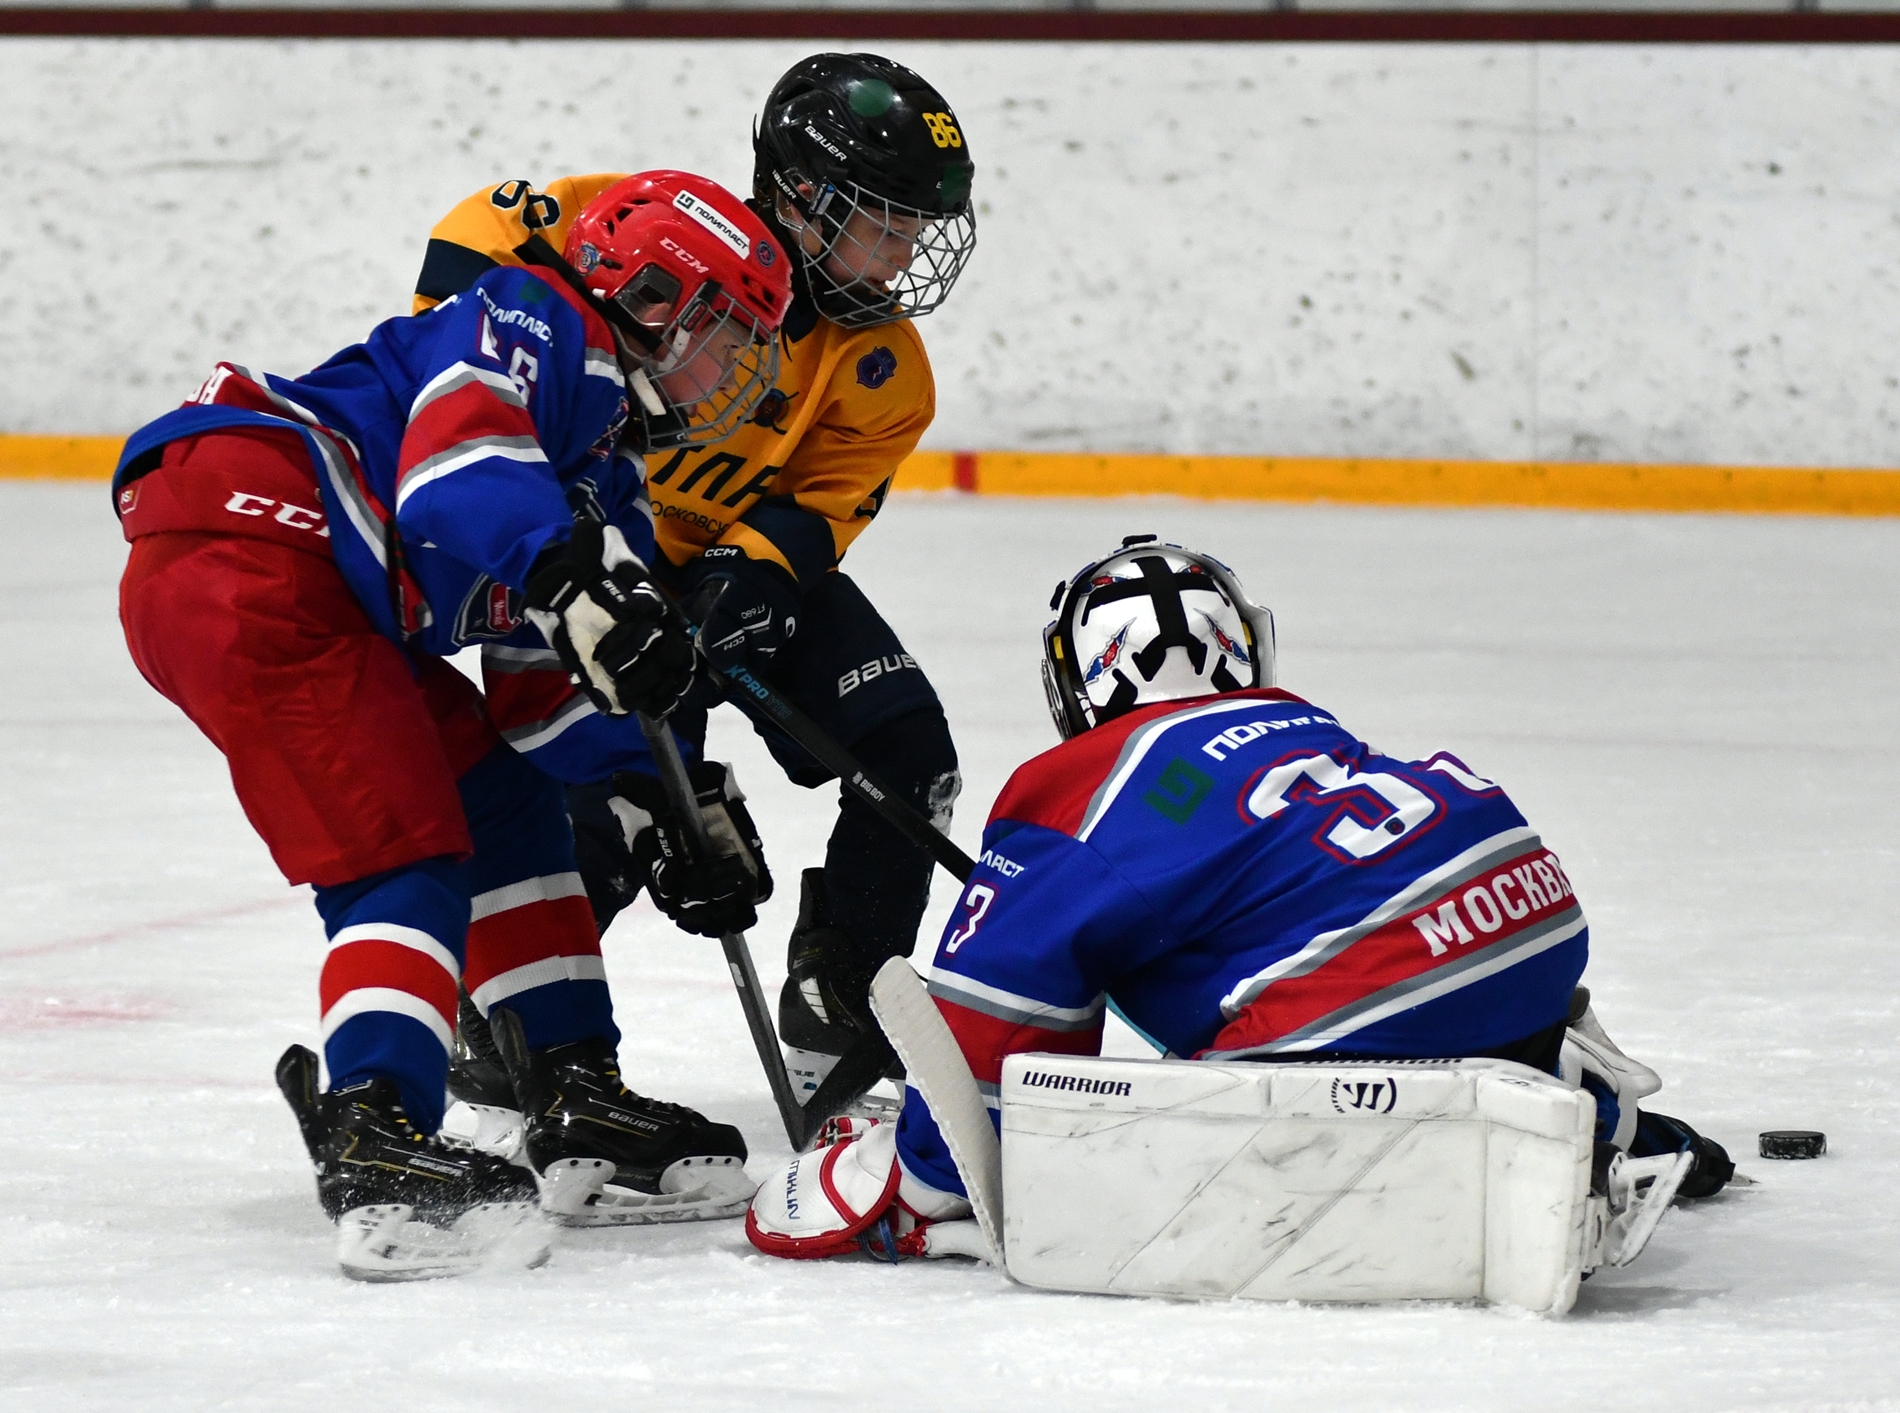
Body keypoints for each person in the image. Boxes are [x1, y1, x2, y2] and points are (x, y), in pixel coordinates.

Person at [112, 171, 792, 1264]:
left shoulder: (600, 467)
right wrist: (576, 579)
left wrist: (658, 794)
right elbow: (457, 474)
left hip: (300, 581)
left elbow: (538, 691)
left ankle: (575, 1088)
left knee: (504, 800)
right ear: (655, 294)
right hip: (255, 555)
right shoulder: (533, 320)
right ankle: (377, 1121)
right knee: (402, 842)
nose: (738, 371)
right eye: (728, 330)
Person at [743, 536, 1733, 1258]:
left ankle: (1440, 1124)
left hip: (1364, 999)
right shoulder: (1297, 726)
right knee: (1368, 956)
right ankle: (1559, 1085)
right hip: (1526, 919)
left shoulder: (1082, 786)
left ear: (1075, 682)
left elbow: (990, 1009)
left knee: (1181, 1097)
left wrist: (920, 1176)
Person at [412, 52, 978, 1109]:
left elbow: (823, 502)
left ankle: (841, 994)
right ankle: (498, 1011)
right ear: (801, 195)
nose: (905, 256)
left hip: (724, 564)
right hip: (594, 565)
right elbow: (482, 236)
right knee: (623, 805)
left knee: (906, 746)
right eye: (884, 221)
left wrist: (750, 575)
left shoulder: (881, 367)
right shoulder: (667, 237)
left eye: (916, 229)